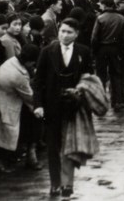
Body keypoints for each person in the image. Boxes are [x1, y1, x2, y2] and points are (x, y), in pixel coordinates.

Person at [33, 18, 94, 198]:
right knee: (53, 147)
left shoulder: (84, 52)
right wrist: (38, 105)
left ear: (76, 34)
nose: (64, 35)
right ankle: (55, 183)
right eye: (62, 31)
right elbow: (38, 81)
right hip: (51, 107)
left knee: (70, 146)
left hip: (73, 107)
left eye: (69, 32)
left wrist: (80, 91)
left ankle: (68, 184)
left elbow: (88, 78)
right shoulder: (47, 51)